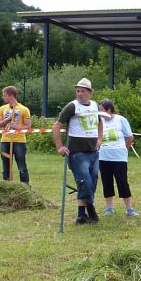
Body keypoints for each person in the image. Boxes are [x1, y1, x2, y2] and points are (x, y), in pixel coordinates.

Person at [52, 78, 104, 225]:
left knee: (92, 183)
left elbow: (100, 123)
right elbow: (56, 127)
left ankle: (81, 216)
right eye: (78, 91)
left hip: (93, 152)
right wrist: (60, 146)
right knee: (84, 183)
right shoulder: (72, 106)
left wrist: (100, 139)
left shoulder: (94, 105)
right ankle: (91, 210)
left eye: (83, 91)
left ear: (90, 93)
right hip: (77, 153)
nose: (80, 94)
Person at [98, 99, 139, 217]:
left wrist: (124, 149)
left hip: (119, 158)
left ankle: (129, 209)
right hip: (103, 157)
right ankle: (109, 208)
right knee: (107, 182)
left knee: (122, 182)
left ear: (109, 110)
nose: (99, 113)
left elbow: (129, 137)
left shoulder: (121, 120)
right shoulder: (99, 121)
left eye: (101, 110)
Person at [0, 86, 31, 184]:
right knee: (5, 167)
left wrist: (17, 127)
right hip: (5, 140)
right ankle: (7, 187)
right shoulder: (2, 108)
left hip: (19, 141)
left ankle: (25, 188)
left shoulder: (24, 109)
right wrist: (7, 119)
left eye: (4, 95)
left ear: (11, 96)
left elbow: (28, 127)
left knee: (22, 166)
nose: (3, 97)